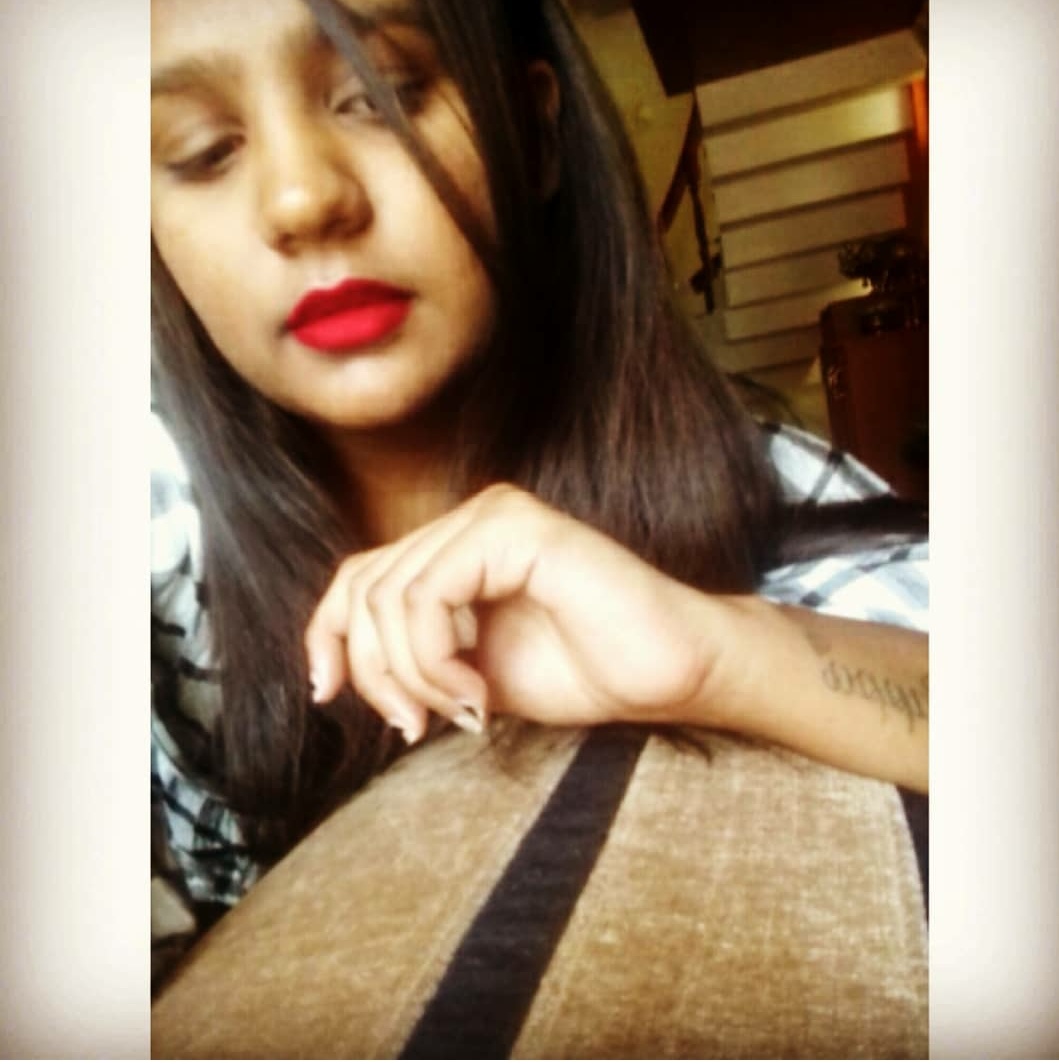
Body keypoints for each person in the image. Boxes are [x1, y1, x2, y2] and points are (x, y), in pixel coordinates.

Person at [150, 0, 928, 986]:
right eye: (202, 151)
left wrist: (714, 652)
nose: (301, 199)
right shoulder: (150, 540)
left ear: (536, 130)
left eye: (382, 94)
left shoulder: (767, 486)